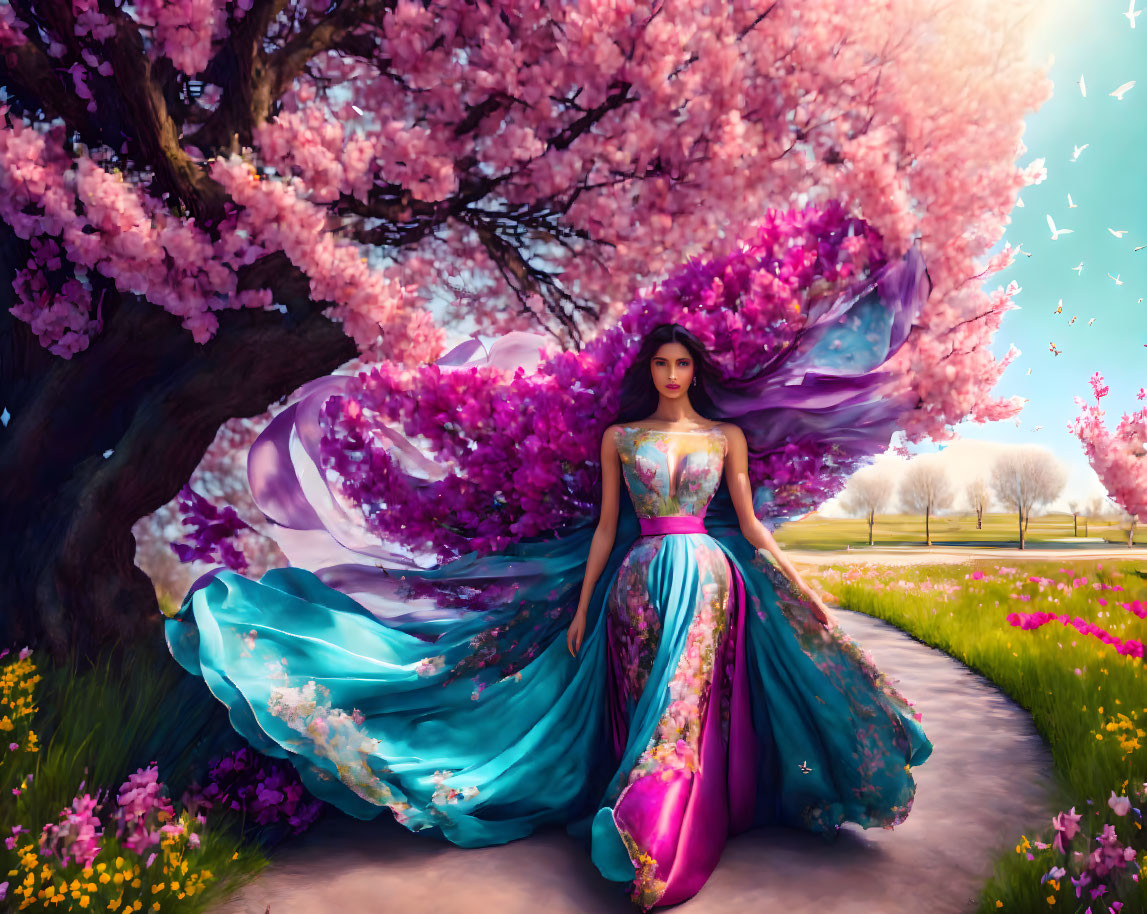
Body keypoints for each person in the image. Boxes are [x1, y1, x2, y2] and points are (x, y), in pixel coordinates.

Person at [165, 247, 934, 911]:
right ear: (651, 371)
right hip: (635, 575)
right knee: (646, 693)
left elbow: (748, 520)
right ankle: (641, 803)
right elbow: (607, 525)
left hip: (707, 572)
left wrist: (790, 579)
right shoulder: (620, 438)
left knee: (686, 696)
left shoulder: (724, 436)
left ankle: (665, 825)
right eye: (661, 364)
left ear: (697, 370)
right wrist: (582, 607)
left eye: (682, 364)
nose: (671, 374)